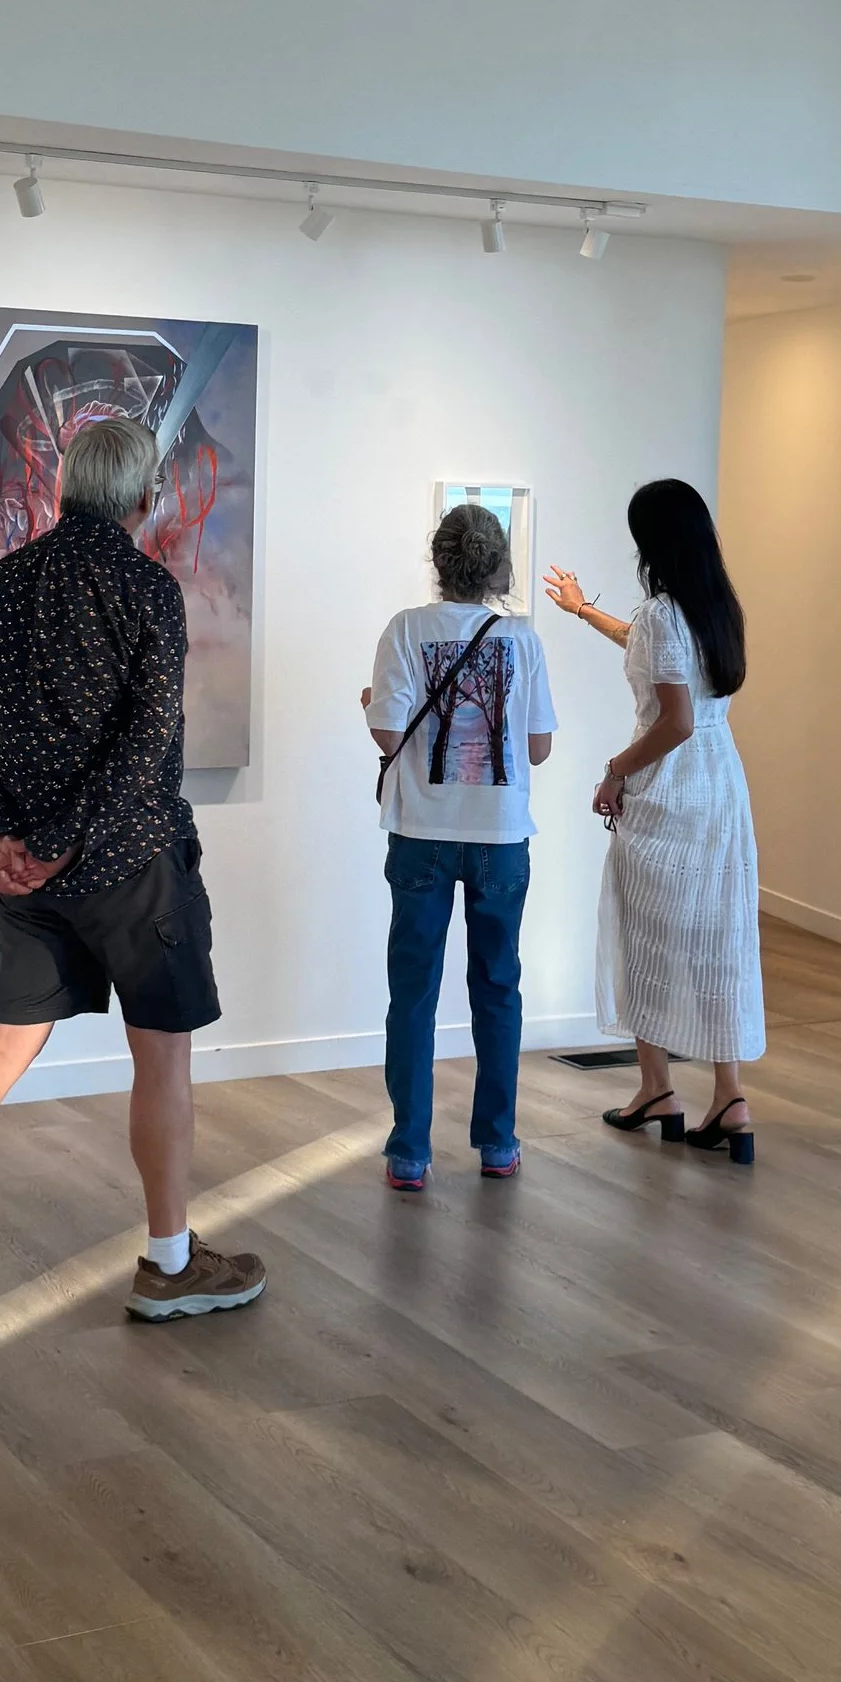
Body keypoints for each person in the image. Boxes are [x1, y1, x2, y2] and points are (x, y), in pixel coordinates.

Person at [0, 413, 266, 1328]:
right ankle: (169, 1263)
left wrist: (4, 833)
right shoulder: (146, 588)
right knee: (163, 1055)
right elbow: (146, 740)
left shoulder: (3, 584)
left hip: (32, 876)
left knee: (4, 1042)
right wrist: (67, 836)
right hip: (133, 865)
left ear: (67, 487)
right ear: (144, 495)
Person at [544, 478, 763, 1158]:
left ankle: (656, 1088)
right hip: (720, 783)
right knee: (717, 936)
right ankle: (729, 1097)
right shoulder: (715, 607)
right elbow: (647, 647)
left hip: (671, 785)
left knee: (647, 934)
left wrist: (615, 770)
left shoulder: (665, 613)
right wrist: (583, 610)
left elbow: (675, 719)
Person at [363, 502, 557, 1189]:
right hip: (499, 837)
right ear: (497, 566)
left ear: (439, 561)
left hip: (422, 833)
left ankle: (409, 1153)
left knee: (413, 993)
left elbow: (389, 734)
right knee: (498, 987)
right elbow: (538, 748)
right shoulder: (522, 640)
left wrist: (369, 703)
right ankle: (497, 1144)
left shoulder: (405, 629)